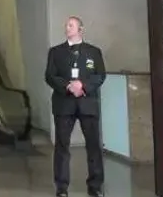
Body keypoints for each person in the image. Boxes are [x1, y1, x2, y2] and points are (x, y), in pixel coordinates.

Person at [45, 16, 106, 197]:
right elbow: (49, 75)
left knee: (93, 145)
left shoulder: (94, 52)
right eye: (66, 25)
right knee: (62, 146)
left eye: (71, 25)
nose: (67, 27)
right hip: (64, 105)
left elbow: (100, 75)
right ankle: (61, 187)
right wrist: (67, 86)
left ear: (81, 29)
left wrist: (83, 86)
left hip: (88, 104)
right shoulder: (55, 52)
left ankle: (95, 185)